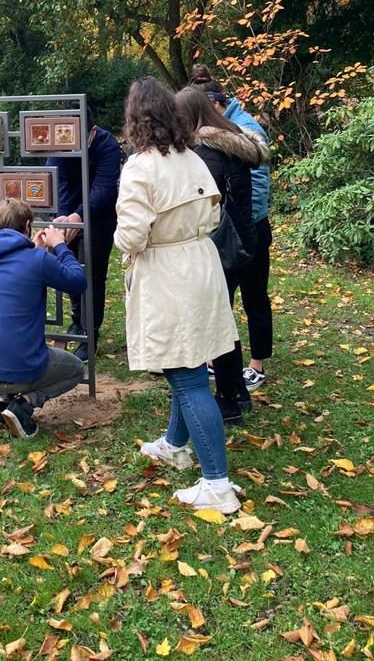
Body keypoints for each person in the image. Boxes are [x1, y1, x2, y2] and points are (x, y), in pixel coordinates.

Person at [114, 76, 242, 514]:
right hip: (201, 264)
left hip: (169, 272)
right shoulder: (193, 158)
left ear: (134, 120)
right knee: (183, 361)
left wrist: (123, 242)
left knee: (187, 375)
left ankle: (217, 485)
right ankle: (174, 443)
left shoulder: (140, 166)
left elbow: (130, 236)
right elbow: (213, 211)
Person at [176, 87, 270, 424]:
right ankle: (238, 394)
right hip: (245, 237)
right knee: (227, 316)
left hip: (216, 244)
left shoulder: (203, 154)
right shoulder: (236, 143)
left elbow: (198, 209)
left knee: (215, 320)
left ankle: (228, 400)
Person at [0, 198, 87, 438]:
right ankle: (24, 406)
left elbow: (13, 276)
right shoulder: (36, 260)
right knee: (75, 369)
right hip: (20, 366)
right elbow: (77, 281)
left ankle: (0, 405)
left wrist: (34, 252)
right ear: (28, 225)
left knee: (1, 341)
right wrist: (60, 246)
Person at [48, 106, 122, 362]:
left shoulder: (107, 145)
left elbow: (103, 190)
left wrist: (78, 216)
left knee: (91, 272)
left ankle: (91, 332)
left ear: (91, 131)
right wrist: (61, 217)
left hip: (98, 218)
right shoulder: (59, 141)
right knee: (71, 269)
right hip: (69, 216)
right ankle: (77, 322)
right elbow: (57, 181)